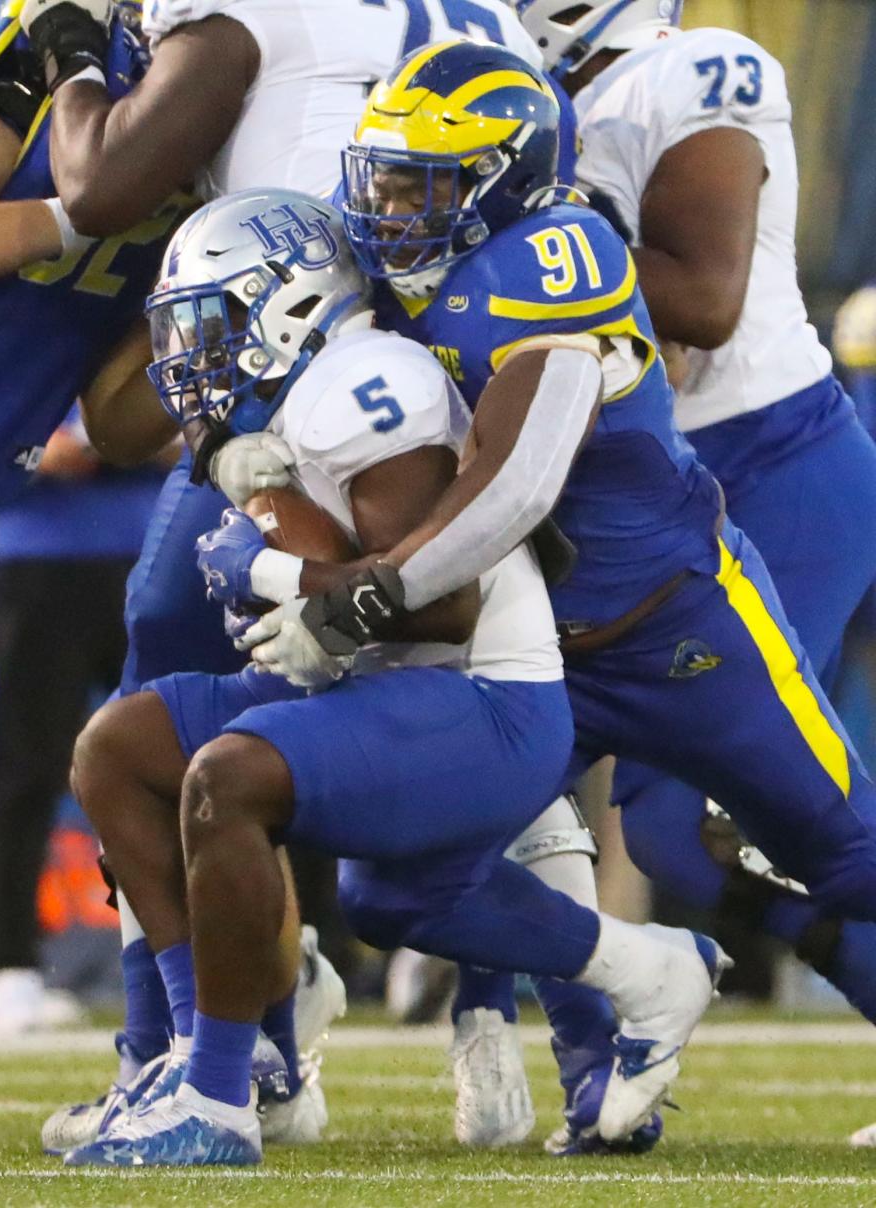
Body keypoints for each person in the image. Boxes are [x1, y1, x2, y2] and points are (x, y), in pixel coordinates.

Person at [232, 37, 876, 1155]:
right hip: (545, 659)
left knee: (843, 846)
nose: (387, 205)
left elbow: (514, 486)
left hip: (685, 627)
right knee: (396, 887)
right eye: (382, 174)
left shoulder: (555, 257)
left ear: (509, 178)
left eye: (422, 181)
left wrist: (364, 600)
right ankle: (633, 997)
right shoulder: (394, 267)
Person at [61, 186, 725, 1167]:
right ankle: (205, 1042)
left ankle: (220, 1099)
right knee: (122, 746)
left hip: (482, 692)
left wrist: (271, 566)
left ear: (289, 303)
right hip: (386, 681)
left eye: (213, 320)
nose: (190, 355)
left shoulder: (364, 383)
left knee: (229, 778)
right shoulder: (296, 394)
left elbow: (439, 598)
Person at [17, 0, 566, 1156]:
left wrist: (64, 55)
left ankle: (201, 1051)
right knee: (169, 727)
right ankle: (406, 1014)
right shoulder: (484, 33)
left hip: (343, 392)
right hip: (420, 388)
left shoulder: (253, 23)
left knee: (196, 674)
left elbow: (100, 187)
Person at [491, 0, 876, 1154]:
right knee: (618, 820)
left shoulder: (695, 67)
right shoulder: (505, 92)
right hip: (633, 496)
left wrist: (518, 222)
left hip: (771, 466)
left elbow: (703, 301)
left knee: (730, 818)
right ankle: (580, 1058)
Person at [0, 0, 183, 957]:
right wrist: (84, 213)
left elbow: (114, 421)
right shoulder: (38, 76)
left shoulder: (215, 177)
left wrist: (208, 332)